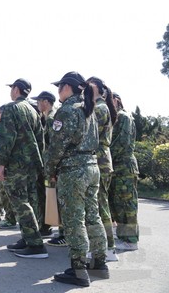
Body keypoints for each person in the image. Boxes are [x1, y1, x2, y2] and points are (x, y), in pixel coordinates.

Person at [45, 72, 108, 287]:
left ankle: (78, 270)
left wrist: (50, 170)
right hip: (92, 167)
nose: (57, 92)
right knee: (93, 216)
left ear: (67, 87)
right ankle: (100, 263)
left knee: (74, 220)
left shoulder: (67, 111)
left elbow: (56, 147)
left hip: (73, 171)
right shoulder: (89, 109)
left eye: (59, 87)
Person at [0, 78, 47, 259]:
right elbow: (41, 139)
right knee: (31, 201)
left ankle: (35, 245)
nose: (11, 91)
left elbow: (6, 138)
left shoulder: (11, 108)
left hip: (17, 164)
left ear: (16, 90)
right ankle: (28, 237)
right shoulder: (33, 111)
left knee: (20, 203)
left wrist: (1, 164)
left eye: (12, 88)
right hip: (32, 163)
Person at [87, 76, 118, 260]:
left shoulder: (98, 108)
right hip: (101, 159)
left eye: (88, 86)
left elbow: (89, 135)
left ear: (97, 88)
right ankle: (105, 246)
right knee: (99, 204)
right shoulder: (99, 107)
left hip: (99, 160)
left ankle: (107, 248)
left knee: (100, 204)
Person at [31, 90, 66, 246]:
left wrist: (53, 170)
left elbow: (55, 147)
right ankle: (48, 227)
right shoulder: (47, 118)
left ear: (46, 102)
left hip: (55, 168)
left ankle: (64, 234)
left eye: (39, 101)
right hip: (50, 167)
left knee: (58, 199)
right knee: (50, 198)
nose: (37, 104)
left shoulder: (52, 119)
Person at [109, 92, 140, 251]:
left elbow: (121, 143)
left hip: (124, 167)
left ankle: (130, 240)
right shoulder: (115, 117)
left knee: (127, 205)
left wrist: (105, 158)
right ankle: (123, 236)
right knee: (118, 204)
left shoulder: (123, 117)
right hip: (117, 167)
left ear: (117, 100)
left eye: (110, 99)